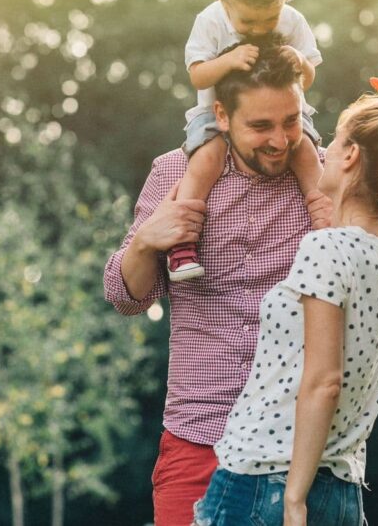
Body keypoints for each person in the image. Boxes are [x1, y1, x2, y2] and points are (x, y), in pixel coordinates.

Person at [193, 74, 378, 526]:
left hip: (267, 483)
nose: (323, 151)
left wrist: (294, 500)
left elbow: (325, 381)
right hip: (342, 493)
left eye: (336, 141)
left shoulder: (327, 248)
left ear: (351, 155)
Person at [103, 42, 332, 526]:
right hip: (198, 436)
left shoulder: (327, 178)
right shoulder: (174, 172)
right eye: (261, 126)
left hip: (295, 445)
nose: (279, 140)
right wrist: (146, 243)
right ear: (222, 116)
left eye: (291, 121)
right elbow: (125, 296)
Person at [167, 0, 325, 282]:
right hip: (214, 115)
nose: (257, 31)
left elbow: (308, 79)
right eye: (247, 23)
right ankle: (181, 246)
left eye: (268, 21)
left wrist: (299, 61)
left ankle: (327, 227)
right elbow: (198, 76)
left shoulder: (293, 21)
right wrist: (230, 60)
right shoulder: (210, 21)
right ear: (223, 0)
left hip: (283, 111)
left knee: (307, 154)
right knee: (204, 161)